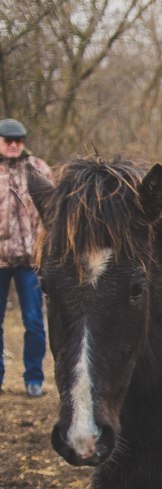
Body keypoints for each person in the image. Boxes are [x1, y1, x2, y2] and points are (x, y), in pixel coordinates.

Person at [0, 118, 53, 397]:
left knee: (34, 321)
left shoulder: (39, 169)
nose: (13, 145)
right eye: (7, 140)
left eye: (17, 140)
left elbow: (51, 212)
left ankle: (34, 379)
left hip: (30, 262)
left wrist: (42, 246)